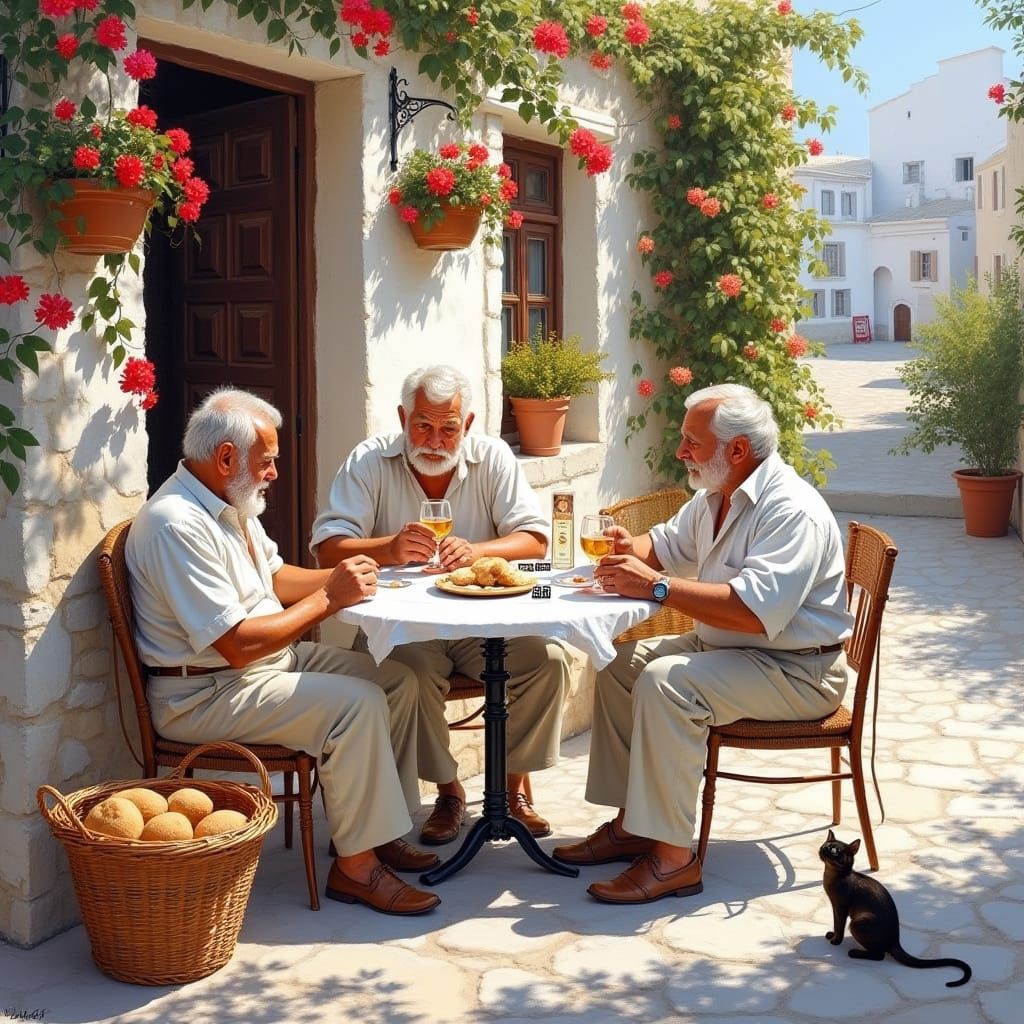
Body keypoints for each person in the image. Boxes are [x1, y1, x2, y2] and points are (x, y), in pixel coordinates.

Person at [126, 388, 441, 916]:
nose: (274, 473)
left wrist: (378, 561)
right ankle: (356, 871)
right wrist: (329, 599)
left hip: (258, 669)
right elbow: (237, 643)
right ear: (226, 457)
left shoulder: (226, 500)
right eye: (267, 461)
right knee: (355, 704)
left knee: (397, 677)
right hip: (203, 692)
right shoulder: (176, 524)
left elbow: (278, 578)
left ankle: (377, 833)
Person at [553, 383, 853, 905]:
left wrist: (656, 586)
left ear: (737, 450)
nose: (680, 451)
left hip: (796, 672)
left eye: (692, 441)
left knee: (668, 684)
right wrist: (631, 548)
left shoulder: (790, 511)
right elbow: (665, 545)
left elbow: (752, 613)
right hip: (734, 654)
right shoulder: (716, 495)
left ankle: (673, 861)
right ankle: (635, 823)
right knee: (622, 662)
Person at [310, 364, 571, 845]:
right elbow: (328, 549)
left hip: (482, 622)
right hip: (405, 627)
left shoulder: (491, 457)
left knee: (549, 661)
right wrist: (388, 549)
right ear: (402, 417)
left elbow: (535, 540)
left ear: (467, 425)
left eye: (448, 428)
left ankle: (510, 789)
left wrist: (479, 550)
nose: (434, 438)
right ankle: (449, 791)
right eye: (422, 425)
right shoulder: (369, 461)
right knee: (407, 674)